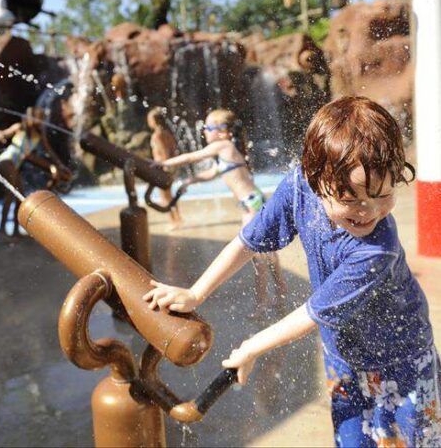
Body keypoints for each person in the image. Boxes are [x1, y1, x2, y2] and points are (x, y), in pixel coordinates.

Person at [144, 97, 441, 447]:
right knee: (351, 441)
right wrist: (195, 293)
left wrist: (252, 347)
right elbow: (249, 240)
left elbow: (313, 313)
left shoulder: (377, 249)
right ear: (317, 180)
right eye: (352, 200)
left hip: (402, 362)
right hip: (342, 356)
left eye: (384, 195)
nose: (370, 211)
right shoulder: (299, 186)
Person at [159, 108, 287, 307]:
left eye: (208, 127)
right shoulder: (225, 151)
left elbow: (192, 157)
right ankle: (280, 290)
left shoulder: (223, 146)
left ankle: (262, 303)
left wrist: (162, 164)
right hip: (252, 202)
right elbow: (211, 173)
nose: (204, 131)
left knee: (256, 255)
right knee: (265, 252)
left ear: (223, 132)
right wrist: (189, 182)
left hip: (251, 204)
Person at [0, 106, 70, 237]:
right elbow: (1, 134)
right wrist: (1, 136)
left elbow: (50, 152)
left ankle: (16, 230)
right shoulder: (20, 127)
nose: (41, 121)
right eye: (39, 117)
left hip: (14, 165)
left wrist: (60, 165)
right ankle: (1, 230)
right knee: (10, 194)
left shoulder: (39, 135)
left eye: (42, 118)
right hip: (6, 161)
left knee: (20, 196)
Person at [147, 106, 182, 229]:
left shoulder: (157, 136)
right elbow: (174, 150)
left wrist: (164, 166)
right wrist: (173, 166)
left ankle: (173, 222)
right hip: (169, 166)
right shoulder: (167, 133)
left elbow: (164, 152)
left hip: (162, 167)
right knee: (169, 195)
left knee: (164, 197)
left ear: (154, 121)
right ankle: (178, 218)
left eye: (149, 119)